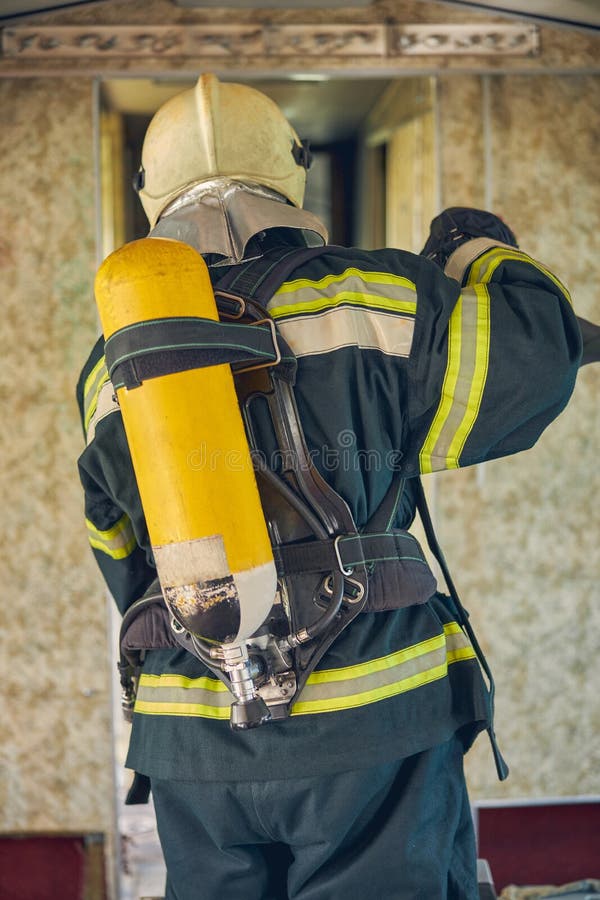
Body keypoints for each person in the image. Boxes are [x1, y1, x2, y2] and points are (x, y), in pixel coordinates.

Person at [77, 74, 582, 900]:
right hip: (368, 718)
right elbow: (537, 358)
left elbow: (119, 547)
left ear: (150, 194)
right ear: (290, 170)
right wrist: (476, 250)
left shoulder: (111, 362)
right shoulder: (376, 293)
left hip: (194, 736)